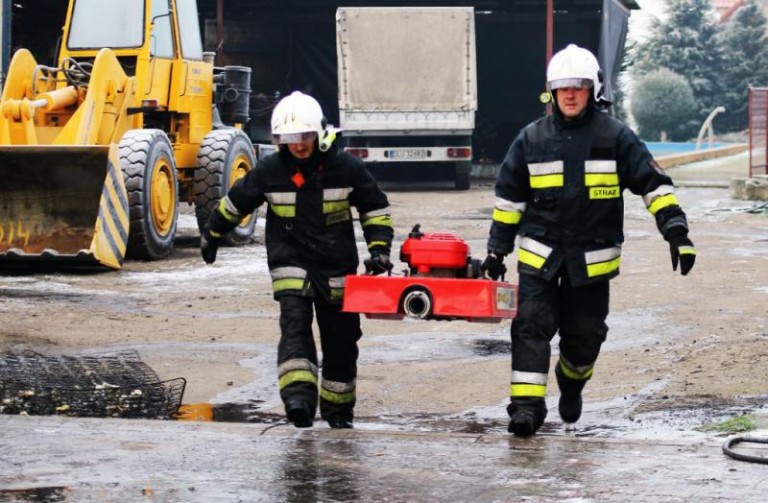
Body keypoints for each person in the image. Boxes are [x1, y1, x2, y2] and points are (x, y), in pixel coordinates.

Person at [482, 44, 697, 437]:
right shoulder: (530, 140)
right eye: (561, 86)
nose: (569, 94)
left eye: (578, 86)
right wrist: (497, 250)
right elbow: (509, 200)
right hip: (539, 259)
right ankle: (526, 410)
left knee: (585, 338)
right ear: (551, 90)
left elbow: (654, 185)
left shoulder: (615, 138)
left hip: (590, 263)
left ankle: (572, 382)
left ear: (593, 89)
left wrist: (676, 231)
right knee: (530, 326)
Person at [200, 91, 394, 429]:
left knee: (341, 340)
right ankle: (299, 401)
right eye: (289, 139)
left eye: (303, 137)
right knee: (295, 326)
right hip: (290, 261)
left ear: (319, 134)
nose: (298, 145)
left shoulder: (346, 167)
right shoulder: (271, 170)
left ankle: (337, 414)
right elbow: (237, 202)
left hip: (337, 266)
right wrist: (213, 234)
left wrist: (379, 250)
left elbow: (374, 209)